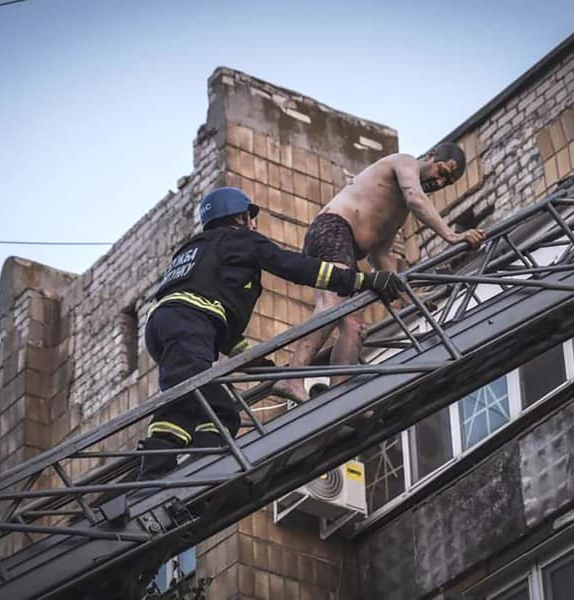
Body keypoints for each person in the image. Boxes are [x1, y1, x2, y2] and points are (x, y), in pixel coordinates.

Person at [138, 186, 403, 479]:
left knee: (181, 403)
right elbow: (295, 267)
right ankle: (199, 475)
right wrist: (362, 280)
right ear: (240, 217)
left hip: (165, 328)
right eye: (251, 218)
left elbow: (223, 333)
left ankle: (154, 471)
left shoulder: (196, 251)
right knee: (220, 411)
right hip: (189, 324)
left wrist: (259, 365)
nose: (254, 225)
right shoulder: (241, 240)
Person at [273, 142, 486, 403]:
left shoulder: (398, 212)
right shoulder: (404, 162)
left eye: (447, 181)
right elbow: (415, 196)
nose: (440, 182)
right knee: (332, 305)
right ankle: (292, 378)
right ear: (429, 156)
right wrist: (451, 235)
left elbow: (379, 255)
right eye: (441, 171)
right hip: (333, 229)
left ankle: (340, 393)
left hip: (347, 247)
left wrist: (412, 298)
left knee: (355, 325)